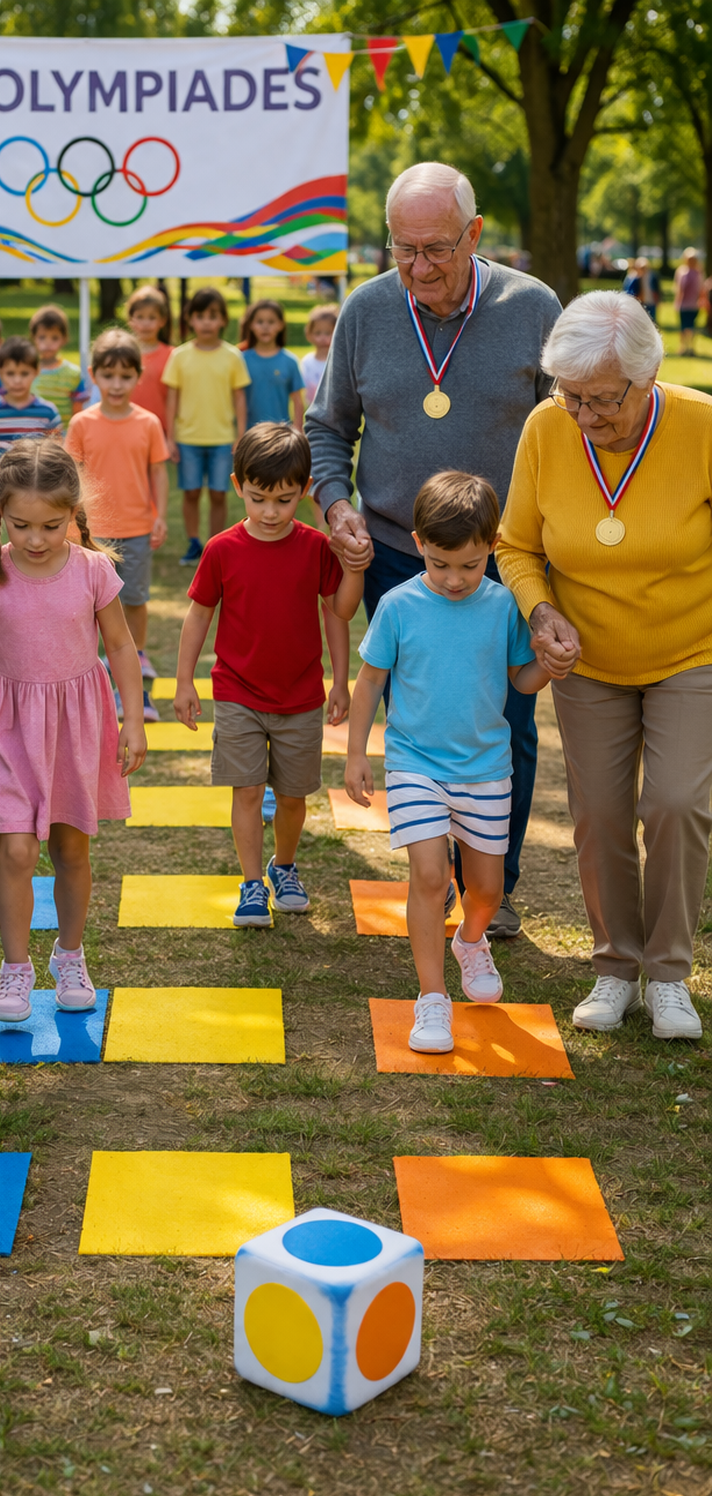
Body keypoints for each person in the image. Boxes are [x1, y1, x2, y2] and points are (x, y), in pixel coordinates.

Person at [306, 160, 563, 940]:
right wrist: (336, 504)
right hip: (393, 551)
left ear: (475, 234)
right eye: (403, 249)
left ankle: (492, 885)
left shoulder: (533, 307)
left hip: (502, 560)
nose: (418, 268)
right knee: (417, 720)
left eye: (437, 249)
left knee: (505, 720)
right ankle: (438, 875)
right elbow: (327, 428)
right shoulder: (366, 310)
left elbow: (566, 436)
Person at [498, 290, 712, 1042]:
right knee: (599, 816)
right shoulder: (546, 426)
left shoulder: (700, 424)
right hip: (586, 658)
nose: (585, 416)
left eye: (603, 401)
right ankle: (616, 966)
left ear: (646, 379)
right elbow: (515, 545)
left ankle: (669, 974)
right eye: (572, 396)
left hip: (691, 651)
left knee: (677, 803)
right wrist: (540, 612)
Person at [0, 438, 146, 1022]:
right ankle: (15, 969)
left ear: (73, 513)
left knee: (70, 848)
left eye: (51, 525)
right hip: (9, 727)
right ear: (1, 515)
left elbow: (121, 646)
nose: (37, 539)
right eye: (22, 526)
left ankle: (69, 956)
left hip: (76, 726)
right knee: (18, 849)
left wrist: (132, 720)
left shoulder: (93, 570)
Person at [346, 473, 557, 1053]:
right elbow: (370, 682)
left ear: (492, 546)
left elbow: (521, 680)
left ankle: (470, 939)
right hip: (415, 763)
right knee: (431, 876)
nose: (455, 578)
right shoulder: (398, 605)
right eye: (440, 564)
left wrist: (549, 665)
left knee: (485, 889)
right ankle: (432, 997)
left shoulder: (502, 605)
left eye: (469, 565)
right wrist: (357, 753)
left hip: (486, 769)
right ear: (418, 543)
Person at [174, 424, 366, 927]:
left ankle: (284, 867)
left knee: (292, 797)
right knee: (246, 791)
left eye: (283, 500)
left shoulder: (316, 548)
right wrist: (184, 680)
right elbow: (198, 614)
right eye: (258, 499)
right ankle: (251, 883)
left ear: (304, 490)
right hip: (236, 692)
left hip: (300, 697)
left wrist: (339, 680)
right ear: (238, 486)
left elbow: (337, 614)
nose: (270, 512)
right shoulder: (221, 549)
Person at [65, 329, 169, 721]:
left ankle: (136, 666)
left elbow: (158, 472)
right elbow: (71, 476)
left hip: (137, 529)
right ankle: (96, 674)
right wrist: (72, 524)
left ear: (138, 377)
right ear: (94, 375)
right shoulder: (81, 423)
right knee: (91, 604)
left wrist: (160, 514)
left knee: (135, 599)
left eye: (125, 376)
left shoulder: (148, 423)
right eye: (108, 376)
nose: (116, 384)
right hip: (92, 533)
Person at [162, 286, 249, 565]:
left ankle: (215, 545)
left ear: (223, 319)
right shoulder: (179, 356)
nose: (206, 322)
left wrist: (240, 435)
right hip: (188, 439)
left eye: (213, 316)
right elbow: (172, 399)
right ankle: (193, 543)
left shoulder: (232, 356)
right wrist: (170, 437)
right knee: (191, 492)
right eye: (200, 316)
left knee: (218, 494)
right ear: (190, 319)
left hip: (222, 439)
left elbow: (239, 397)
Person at [0, 338, 61, 466]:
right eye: (10, 374)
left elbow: (56, 456)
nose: (17, 381)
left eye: (24, 374)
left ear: (36, 371)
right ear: (0, 373)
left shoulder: (49, 412)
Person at [238, 299, 305, 429]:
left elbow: (297, 400)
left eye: (271, 322)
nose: (265, 327)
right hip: (249, 434)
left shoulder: (290, 361)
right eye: (260, 322)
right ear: (250, 325)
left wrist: (297, 429)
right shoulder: (241, 360)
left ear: (281, 325)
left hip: (280, 435)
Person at [125, 284, 174, 445]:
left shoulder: (172, 355)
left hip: (160, 431)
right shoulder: (123, 354)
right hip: (127, 428)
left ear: (162, 321)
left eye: (152, 318)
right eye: (140, 317)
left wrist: (171, 436)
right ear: (130, 320)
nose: (145, 323)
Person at [29, 304, 87, 429]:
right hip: (32, 434)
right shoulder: (26, 371)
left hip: (63, 435)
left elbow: (78, 412)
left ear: (64, 339)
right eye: (42, 337)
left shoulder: (73, 374)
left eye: (54, 338)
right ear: (33, 338)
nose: (48, 343)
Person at [300, 303, 338, 407]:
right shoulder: (307, 361)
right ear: (309, 334)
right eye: (318, 333)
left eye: (328, 333)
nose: (322, 338)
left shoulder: (339, 361)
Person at [674, 248, 703, 356]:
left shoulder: (698, 272)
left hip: (694, 304)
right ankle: (683, 347)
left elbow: (700, 289)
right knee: (683, 326)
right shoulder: (681, 271)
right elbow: (678, 288)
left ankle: (690, 347)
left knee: (691, 326)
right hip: (683, 304)